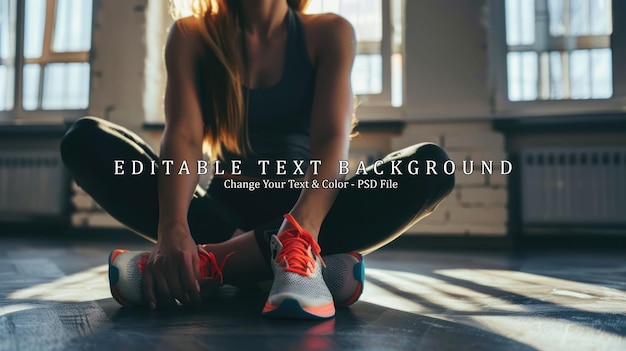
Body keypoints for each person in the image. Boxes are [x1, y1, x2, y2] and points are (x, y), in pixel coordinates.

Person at [60, 0, 455, 320]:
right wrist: (173, 230)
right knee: (85, 141)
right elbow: (183, 135)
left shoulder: (329, 32)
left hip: (306, 211)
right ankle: (291, 267)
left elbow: (332, 139)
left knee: (430, 167)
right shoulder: (191, 35)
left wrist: (300, 231)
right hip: (218, 216)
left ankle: (217, 264)